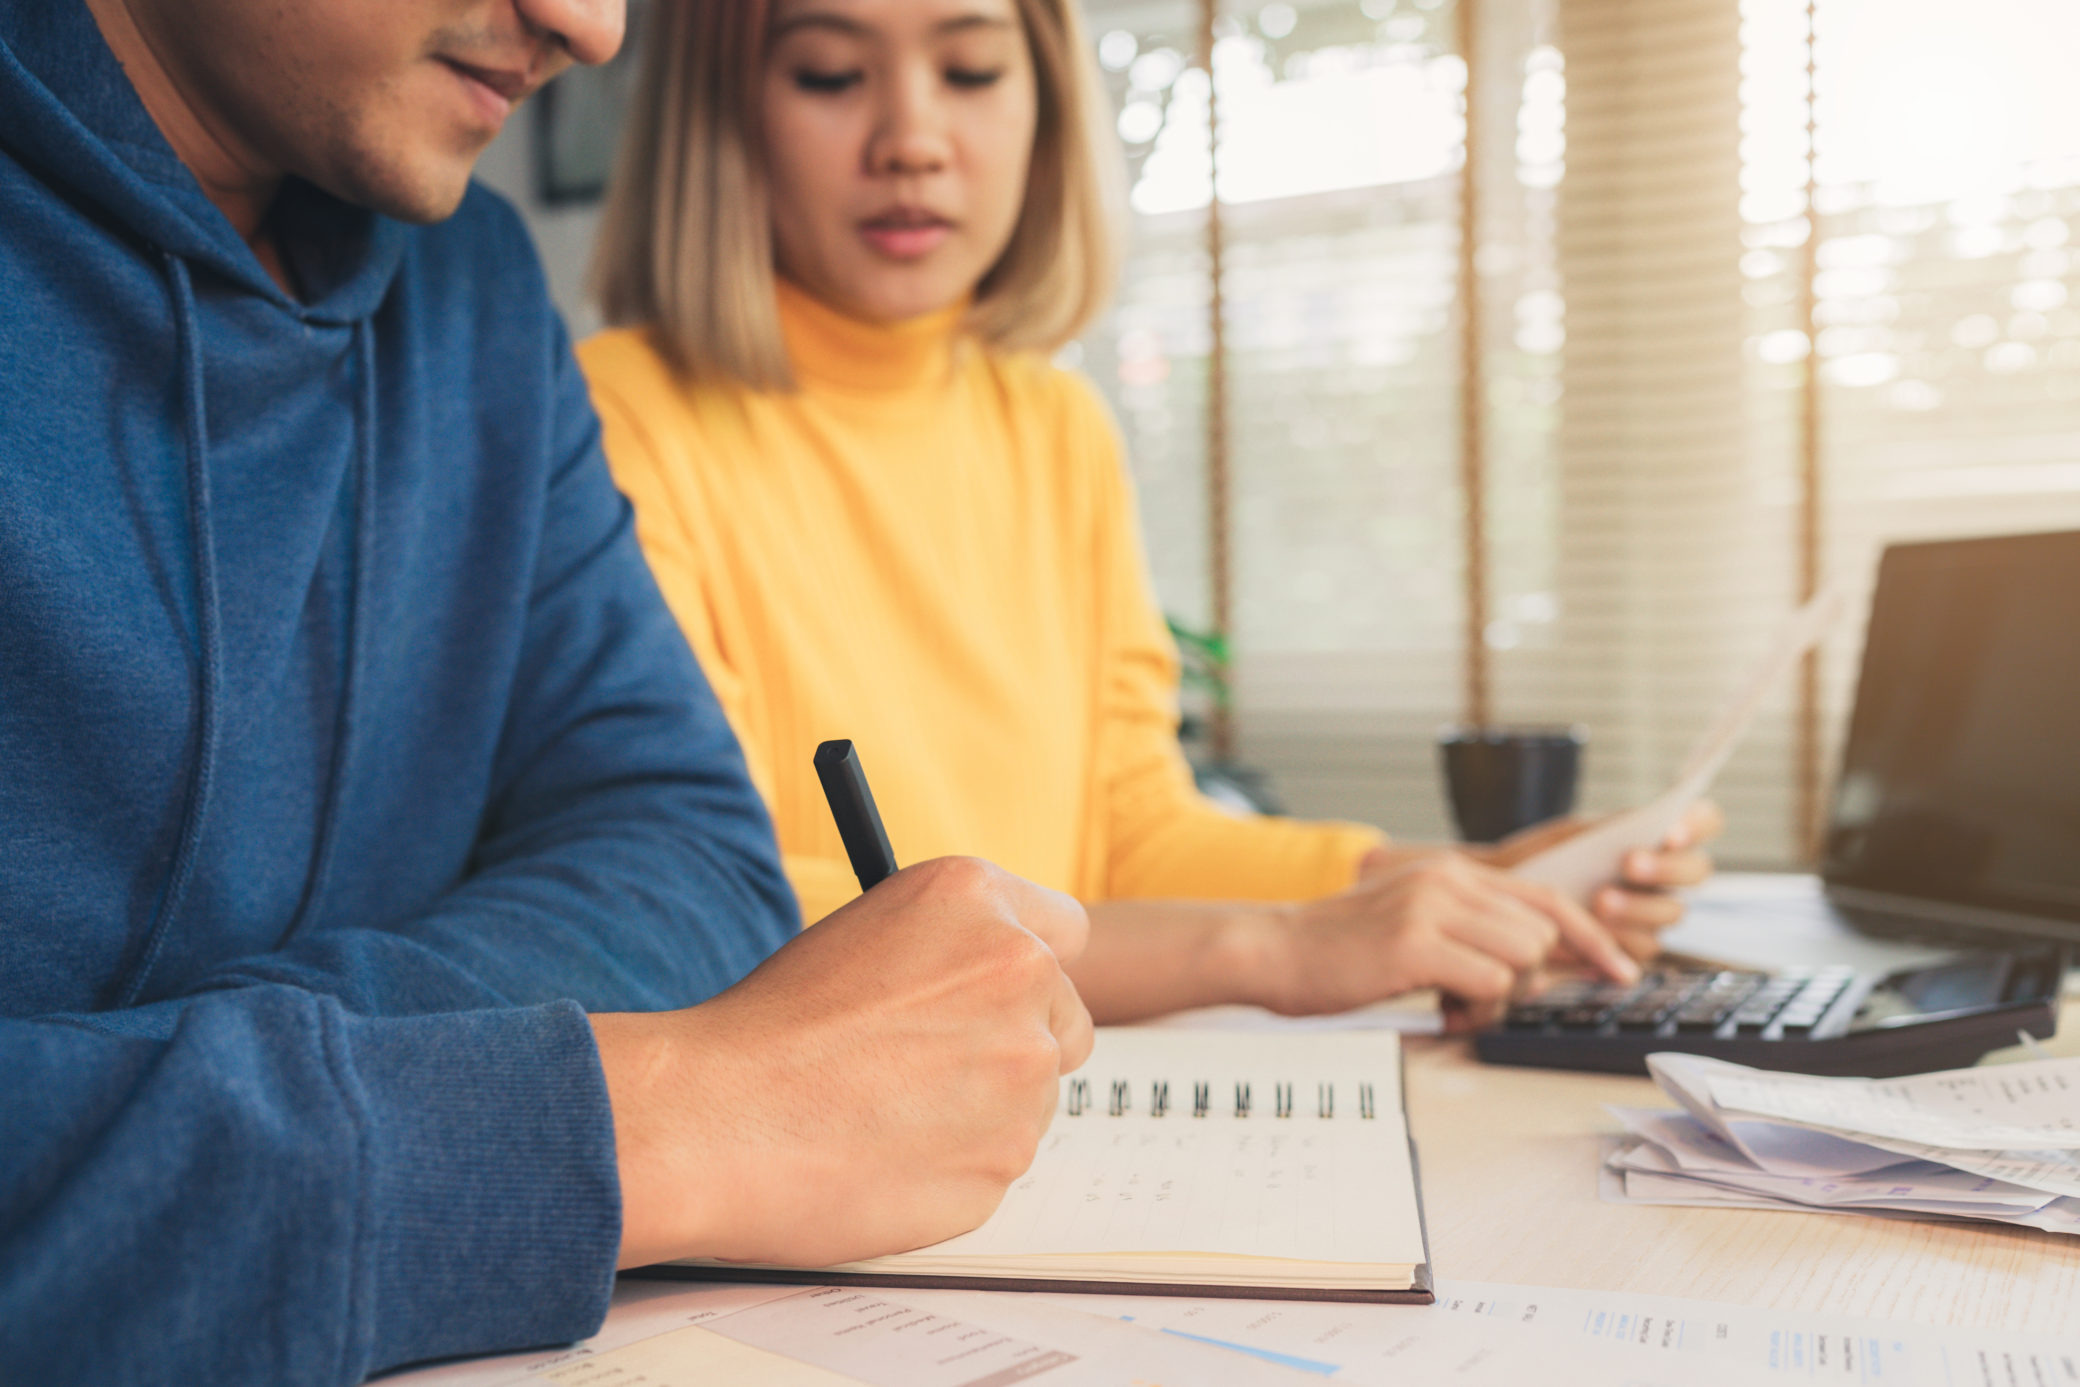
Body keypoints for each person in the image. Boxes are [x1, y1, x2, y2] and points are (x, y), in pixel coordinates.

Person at [0, 1, 1094, 1382]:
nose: (591, 26)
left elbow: (693, 861)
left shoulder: (478, 294)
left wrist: (152, 1111)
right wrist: (646, 1116)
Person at [580, 0, 1722, 1027]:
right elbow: (723, 907)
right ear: (723, 115)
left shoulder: (1054, 426)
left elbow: (1131, 837)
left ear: (1048, 109)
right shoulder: (612, 421)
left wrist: (1439, 881)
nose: (912, 141)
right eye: (829, 74)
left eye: (971, 73)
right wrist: (1271, 947)